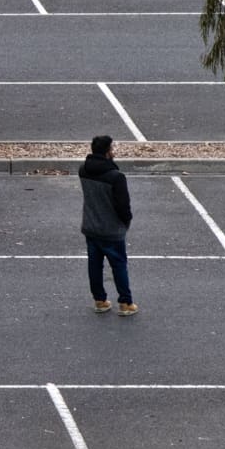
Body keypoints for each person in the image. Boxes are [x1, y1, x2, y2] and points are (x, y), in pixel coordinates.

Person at [79, 135, 137, 316]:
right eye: (112, 149)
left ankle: (100, 300)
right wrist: (126, 221)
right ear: (107, 152)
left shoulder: (83, 170)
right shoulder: (116, 177)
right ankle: (125, 303)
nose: (113, 152)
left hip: (91, 225)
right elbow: (123, 206)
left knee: (94, 265)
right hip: (111, 229)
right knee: (119, 264)